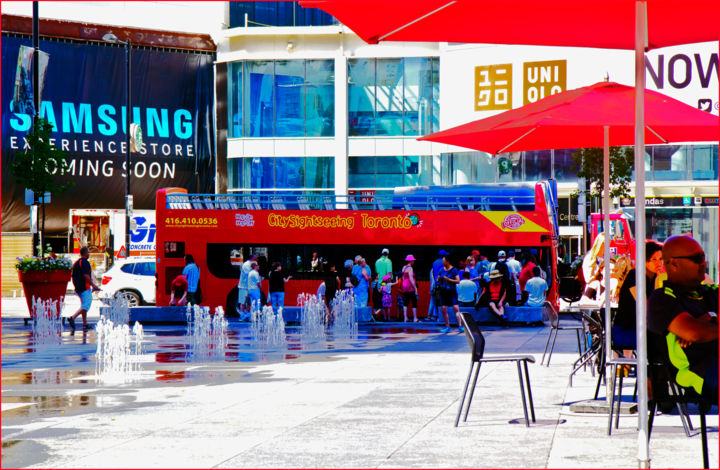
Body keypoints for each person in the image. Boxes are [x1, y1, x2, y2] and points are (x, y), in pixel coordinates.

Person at [648, 235, 718, 404]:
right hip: (699, 372)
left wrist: (711, 320)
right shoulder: (662, 298)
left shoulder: (711, 291)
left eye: (703, 257)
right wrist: (701, 325)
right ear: (674, 263)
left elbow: (696, 332)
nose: (703, 263)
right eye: (696, 258)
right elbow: (694, 333)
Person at [613, 241, 663, 351]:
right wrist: (658, 283)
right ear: (644, 261)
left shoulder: (656, 278)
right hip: (625, 331)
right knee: (660, 339)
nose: (659, 263)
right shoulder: (634, 276)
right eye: (654, 259)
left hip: (644, 329)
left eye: (661, 259)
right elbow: (647, 308)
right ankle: (652, 368)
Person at [67, 246, 100, 330]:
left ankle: (85, 324)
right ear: (85, 253)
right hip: (85, 287)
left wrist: (76, 286)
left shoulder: (76, 263)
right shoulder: (85, 262)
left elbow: (73, 275)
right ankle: (72, 318)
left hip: (78, 287)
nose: (89, 254)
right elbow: (86, 275)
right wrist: (93, 285)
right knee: (86, 305)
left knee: (83, 306)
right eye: (88, 252)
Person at [437, 255, 462, 333]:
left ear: (448, 261)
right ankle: (447, 327)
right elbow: (437, 279)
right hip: (443, 291)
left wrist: (448, 279)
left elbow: (458, 281)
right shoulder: (441, 270)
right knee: (443, 309)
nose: (442, 262)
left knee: (456, 308)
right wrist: (440, 278)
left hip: (452, 291)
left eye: (443, 261)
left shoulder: (454, 270)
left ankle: (460, 326)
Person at [400, 254, 418, 322]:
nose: (414, 261)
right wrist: (415, 288)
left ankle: (405, 318)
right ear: (411, 261)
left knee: (406, 301)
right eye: (413, 260)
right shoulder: (410, 268)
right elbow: (411, 278)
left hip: (404, 285)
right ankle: (415, 318)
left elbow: (402, 277)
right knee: (414, 301)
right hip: (410, 286)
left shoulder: (404, 267)